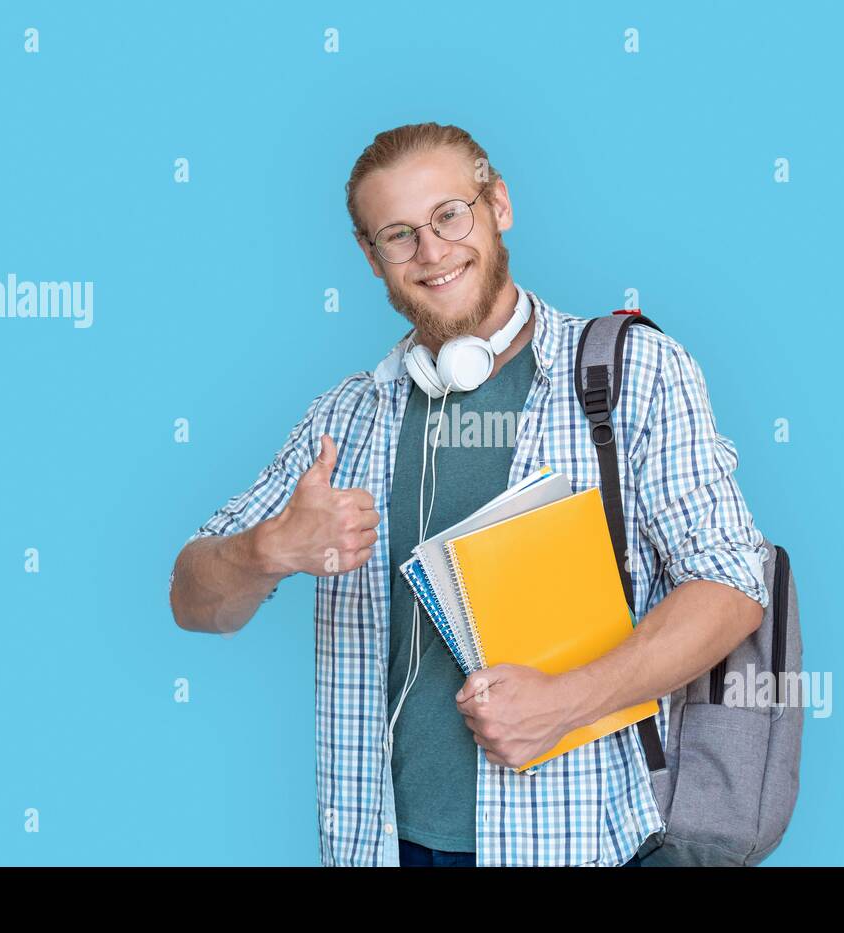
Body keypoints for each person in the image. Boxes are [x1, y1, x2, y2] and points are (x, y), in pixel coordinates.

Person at [168, 122, 768, 867]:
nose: (432, 252)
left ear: (499, 205)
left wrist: (567, 702)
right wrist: (265, 550)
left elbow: (733, 585)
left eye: (451, 215)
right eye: (399, 235)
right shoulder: (344, 421)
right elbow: (194, 600)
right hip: (380, 848)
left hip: (577, 844)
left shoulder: (630, 374)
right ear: (371, 256)